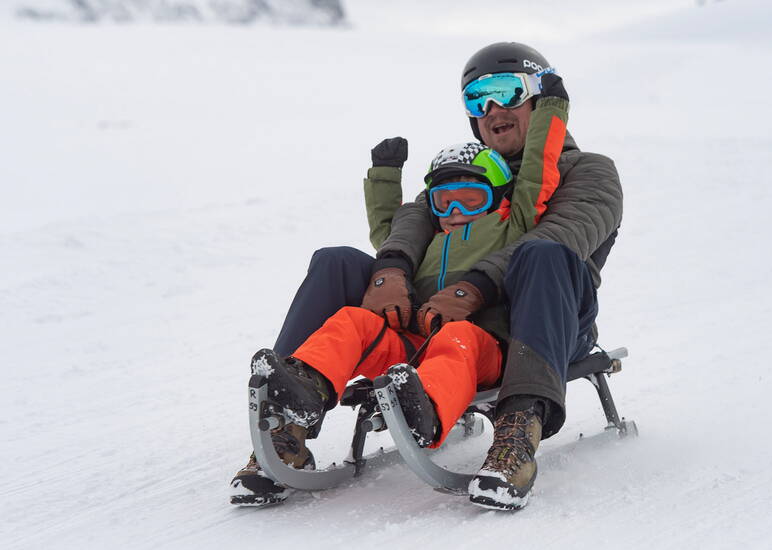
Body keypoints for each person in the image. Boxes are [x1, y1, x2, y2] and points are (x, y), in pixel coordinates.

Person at [230, 41, 622, 511]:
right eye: (477, 100)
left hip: (541, 324)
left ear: (540, 98)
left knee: (543, 252)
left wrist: (473, 286)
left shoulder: (590, 170)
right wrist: (391, 270)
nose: (492, 108)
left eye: (504, 92)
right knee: (335, 260)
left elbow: (565, 234)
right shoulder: (467, 173)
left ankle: (518, 432)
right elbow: (415, 216)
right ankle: (286, 424)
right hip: (438, 322)